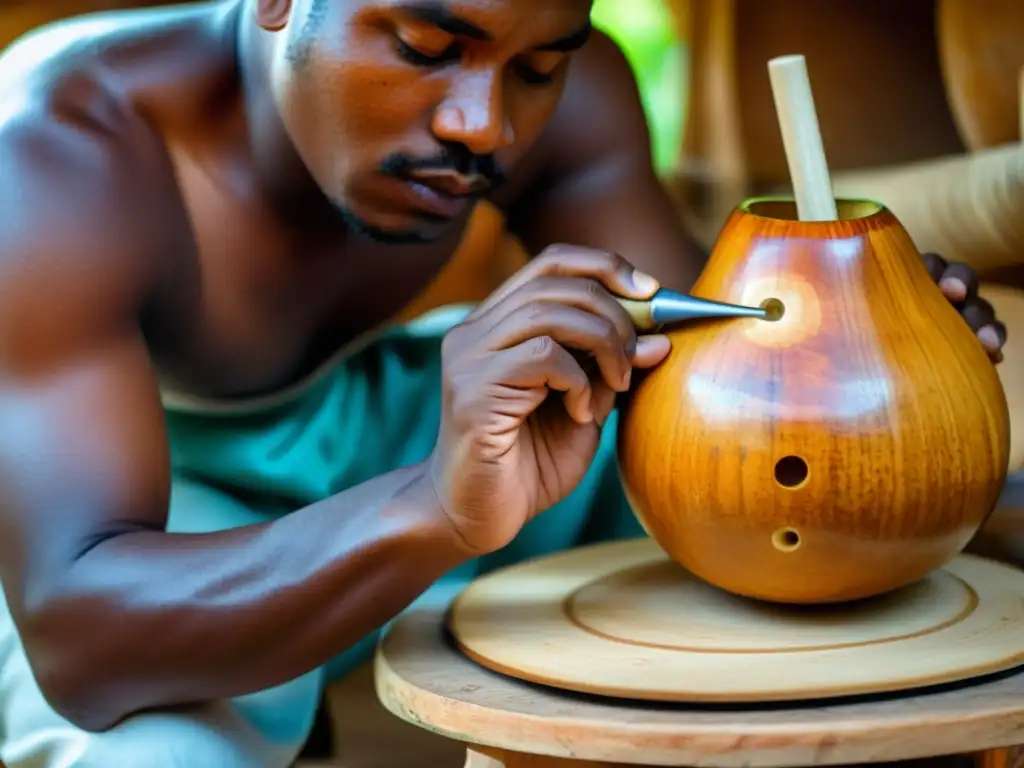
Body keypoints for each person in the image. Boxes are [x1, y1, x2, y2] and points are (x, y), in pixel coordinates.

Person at [0, 0, 1006, 765]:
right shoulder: (55, 155)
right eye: (426, 50)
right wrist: (437, 502)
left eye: (535, 66)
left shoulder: (568, 93)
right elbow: (85, 640)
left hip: (390, 417)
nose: (486, 124)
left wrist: (858, 350)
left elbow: (704, 380)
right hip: (134, 514)